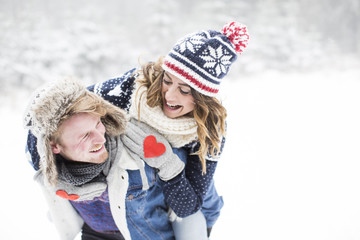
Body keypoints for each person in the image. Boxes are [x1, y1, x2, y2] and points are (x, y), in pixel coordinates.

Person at [26, 21, 249, 239]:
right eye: (167, 80)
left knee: (200, 211)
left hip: (175, 187)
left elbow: (187, 204)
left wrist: (168, 166)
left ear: (203, 97)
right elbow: (61, 115)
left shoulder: (210, 130)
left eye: (184, 90)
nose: (169, 96)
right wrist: (53, 173)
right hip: (130, 190)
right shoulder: (131, 88)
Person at [23, 77, 187, 240]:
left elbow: (194, 189)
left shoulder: (138, 152)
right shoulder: (51, 173)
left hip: (145, 234)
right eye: (85, 136)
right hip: (93, 233)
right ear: (54, 147)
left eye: (97, 124)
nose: (101, 139)